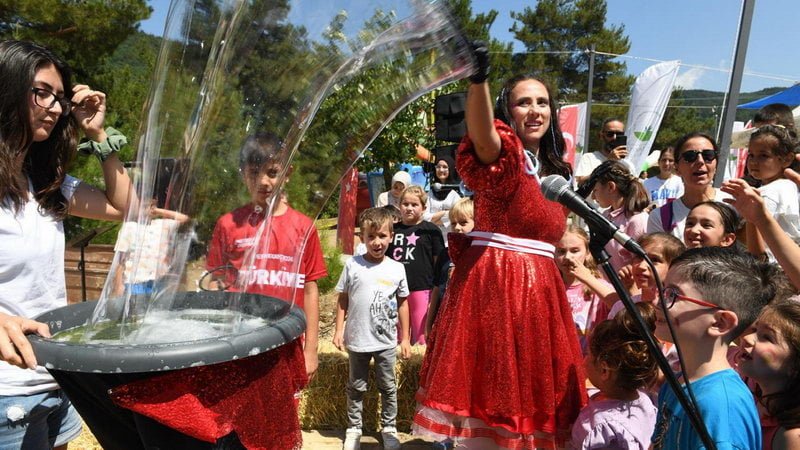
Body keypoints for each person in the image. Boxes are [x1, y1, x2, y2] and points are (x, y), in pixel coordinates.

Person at [413, 61, 587, 447]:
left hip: (541, 298)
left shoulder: (554, 172)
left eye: (542, 102)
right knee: (492, 415)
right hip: (497, 291)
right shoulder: (505, 156)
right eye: (524, 102)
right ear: (508, 112)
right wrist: (479, 83)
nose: (535, 109)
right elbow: (484, 137)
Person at [0, 40, 133, 450]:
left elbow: (124, 206)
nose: (55, 108)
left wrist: (98, 134)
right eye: (41, 92)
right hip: (6, 392)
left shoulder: (44, 182)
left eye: (59, 98)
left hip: (55, 376)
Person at [650, 247, 773, 449]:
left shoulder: (720, 407)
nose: (657, 301)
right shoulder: (678, 380)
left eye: (673, 294)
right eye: (662, 289)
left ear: (720, 322)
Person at [333, 207, 412, 450]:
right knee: (356, 386)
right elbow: (343, 299)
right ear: (362, 237)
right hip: (358, 338)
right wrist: (338, 330)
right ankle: (354, 428)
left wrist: (406, 338)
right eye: (371, 237)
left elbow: (403, 303)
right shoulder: (353, 265)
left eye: (382, 236)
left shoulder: (397, 268)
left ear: (391, 236)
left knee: (388, 387)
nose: (377, 242)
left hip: (386, 341)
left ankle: (389, 427)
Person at [569, 303, 659, 450]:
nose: (584, 361)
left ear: (605, 370)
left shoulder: (601, 428)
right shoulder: (644, 400)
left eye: (589, 355)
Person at [737, 296, 800, 450]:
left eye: (766, 337)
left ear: (795, 366)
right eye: (755, 329)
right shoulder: (751, 402)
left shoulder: (792, 437)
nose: (747, 338)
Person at [386, 185, 444, 345]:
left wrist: (436, 287)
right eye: (405, 204)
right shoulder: (392, 230)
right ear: (399, 205)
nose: (409, 208)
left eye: (414, 204)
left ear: (424, 208)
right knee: (397, 332)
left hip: (421, 288)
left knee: (421, 335)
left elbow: (437, 261)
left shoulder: (430, 230)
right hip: (395, 289)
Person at [647, 132, 731, 239]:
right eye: (690, 156)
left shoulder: (734, 205)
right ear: (677, 168)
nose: (700, 161)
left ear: (716, 164)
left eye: (708, 155)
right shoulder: (660, 217)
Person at [722, 177, 800, 291]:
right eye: (690, 223)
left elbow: (758, 259)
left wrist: (759, 219)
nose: (696, 230)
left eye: (707, 225)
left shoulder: (783, 186)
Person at [743, 125, 800, 260]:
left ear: (786, 159)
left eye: (764, 156)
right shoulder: (790, 186)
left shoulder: (769, 192)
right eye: (751, 155)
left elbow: (757, 239)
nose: (753, 161)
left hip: (775, 265)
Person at [555, 225, 614, 355]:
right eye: (561, 251)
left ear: (587, 253)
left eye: (575, 251)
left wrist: (587, 278)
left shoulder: (598, 286)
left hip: (590, 362)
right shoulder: (551, 286)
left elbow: (619, 306)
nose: (568, 257)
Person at [425, 197, 474, 337]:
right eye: (453, 224)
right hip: (445, 323)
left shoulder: (482, 257)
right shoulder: (445, 254)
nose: (457, 227)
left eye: (464, 223)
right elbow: (436, 290)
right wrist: (429, 325)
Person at [588, 160, 650, 270]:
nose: (593, 197)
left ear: (610, 187)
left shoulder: (637, 220)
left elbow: (643, 261)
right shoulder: (605, 216)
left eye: (595, 190)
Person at [611, 232, 685, 318]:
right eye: (638, 257)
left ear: (673, 267)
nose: (641, 266)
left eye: (654, 260)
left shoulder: (678, 311)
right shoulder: (621, 308)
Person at [575, 118, 627, 185]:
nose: (614, 137)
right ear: (601, 136)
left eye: (619, 134)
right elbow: (581, 183)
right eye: (610, 134)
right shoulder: (589, 158)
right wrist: (608, 163)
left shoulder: (628, 164)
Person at [424, 155, 462, 244]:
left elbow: (454, 217)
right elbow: (424, 217)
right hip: (431, 239)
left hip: (448, 241)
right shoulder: (430, 193)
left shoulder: (455, 195)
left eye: (445, 167)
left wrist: (433, 218)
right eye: (438, 167)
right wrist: (445, 213)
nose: (441, 170)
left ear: (450, 169)